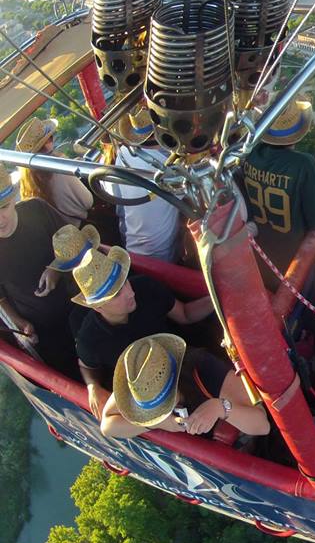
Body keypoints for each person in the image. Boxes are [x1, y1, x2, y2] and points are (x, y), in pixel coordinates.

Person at [70, 244, 214, 419]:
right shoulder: (89, 340)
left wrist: (216, 299)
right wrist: (93, 386)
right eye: (116, 294)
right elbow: (85, 365)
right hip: (148, 397)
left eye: (124, 282)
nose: (130, 293)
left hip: (181, 363)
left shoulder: (146, 287)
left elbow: (184, 314)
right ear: (98, 307)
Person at [100, 333, 270, 439]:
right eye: (151, 412)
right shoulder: (138, 383)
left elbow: (262, 424)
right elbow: (107, 426)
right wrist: (157, 423)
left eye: (161, 408)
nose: (158, 414)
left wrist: (220, 408)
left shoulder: (204, 370)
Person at [241, 99, 315, 291]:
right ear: (297, 134)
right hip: (292, 259)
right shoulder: (303, 165)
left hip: (257, 254)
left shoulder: (249, 153)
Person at [0, 165, 79, 377]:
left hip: (80, 304)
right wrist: (20, 322)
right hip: (46, 333)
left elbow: (74, 238)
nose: (0, 221)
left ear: (14, 197)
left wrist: (56, 268)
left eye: (4, 207)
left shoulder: (36, 209)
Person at [103, 107, 182, 262]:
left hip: (132, 252)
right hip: (165, 256)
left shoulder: (123, 156)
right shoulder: (170, 169)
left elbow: (120, 207)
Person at [16, 118, 93, 227]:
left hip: (62, 237)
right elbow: (88, 201)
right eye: (50, 138)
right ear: (46, 145)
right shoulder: (59, 167)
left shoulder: (26, 181)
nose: (52, 141)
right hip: (81, 226)